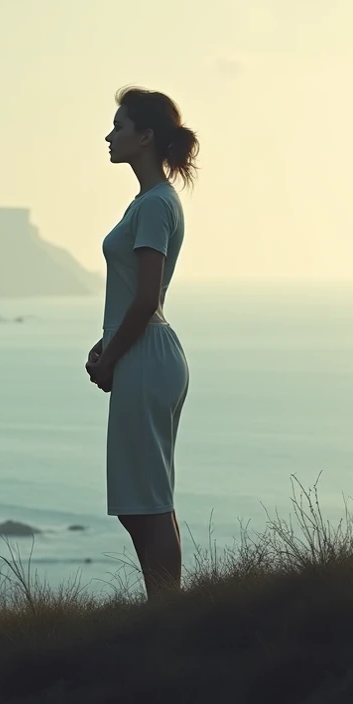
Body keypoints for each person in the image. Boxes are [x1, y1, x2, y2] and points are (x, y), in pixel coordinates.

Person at [85, 86, 199, 599]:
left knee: (147, 500)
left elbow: (147, 296)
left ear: (146, 136)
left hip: (146, 356)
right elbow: (137, 296)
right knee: (145, 499)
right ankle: (164, 612)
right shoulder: (149, 202)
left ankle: (166, 614)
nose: (110, 135)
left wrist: (110, 358)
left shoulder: (154, 206)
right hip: (144, 351)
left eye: (120, 126)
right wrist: (105, 344)